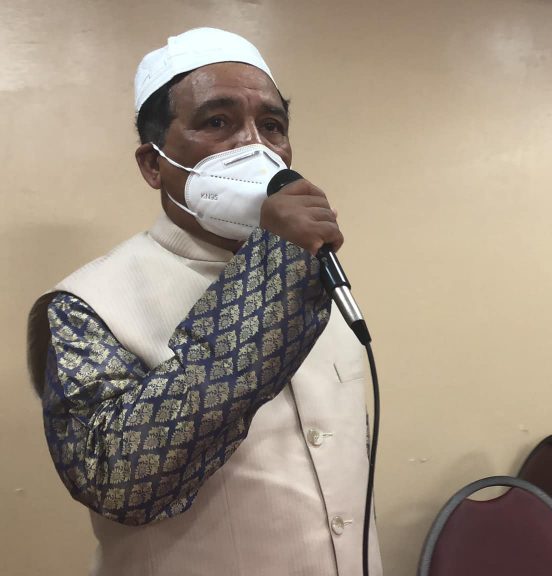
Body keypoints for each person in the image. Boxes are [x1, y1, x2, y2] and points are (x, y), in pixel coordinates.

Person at [25, 28, 382, 576]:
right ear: (153, 164)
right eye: (217, 122)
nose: (255, 147)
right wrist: (271, 271)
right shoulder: (83, 307)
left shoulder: (309, 273)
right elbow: (116, 481)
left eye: (272, 126)